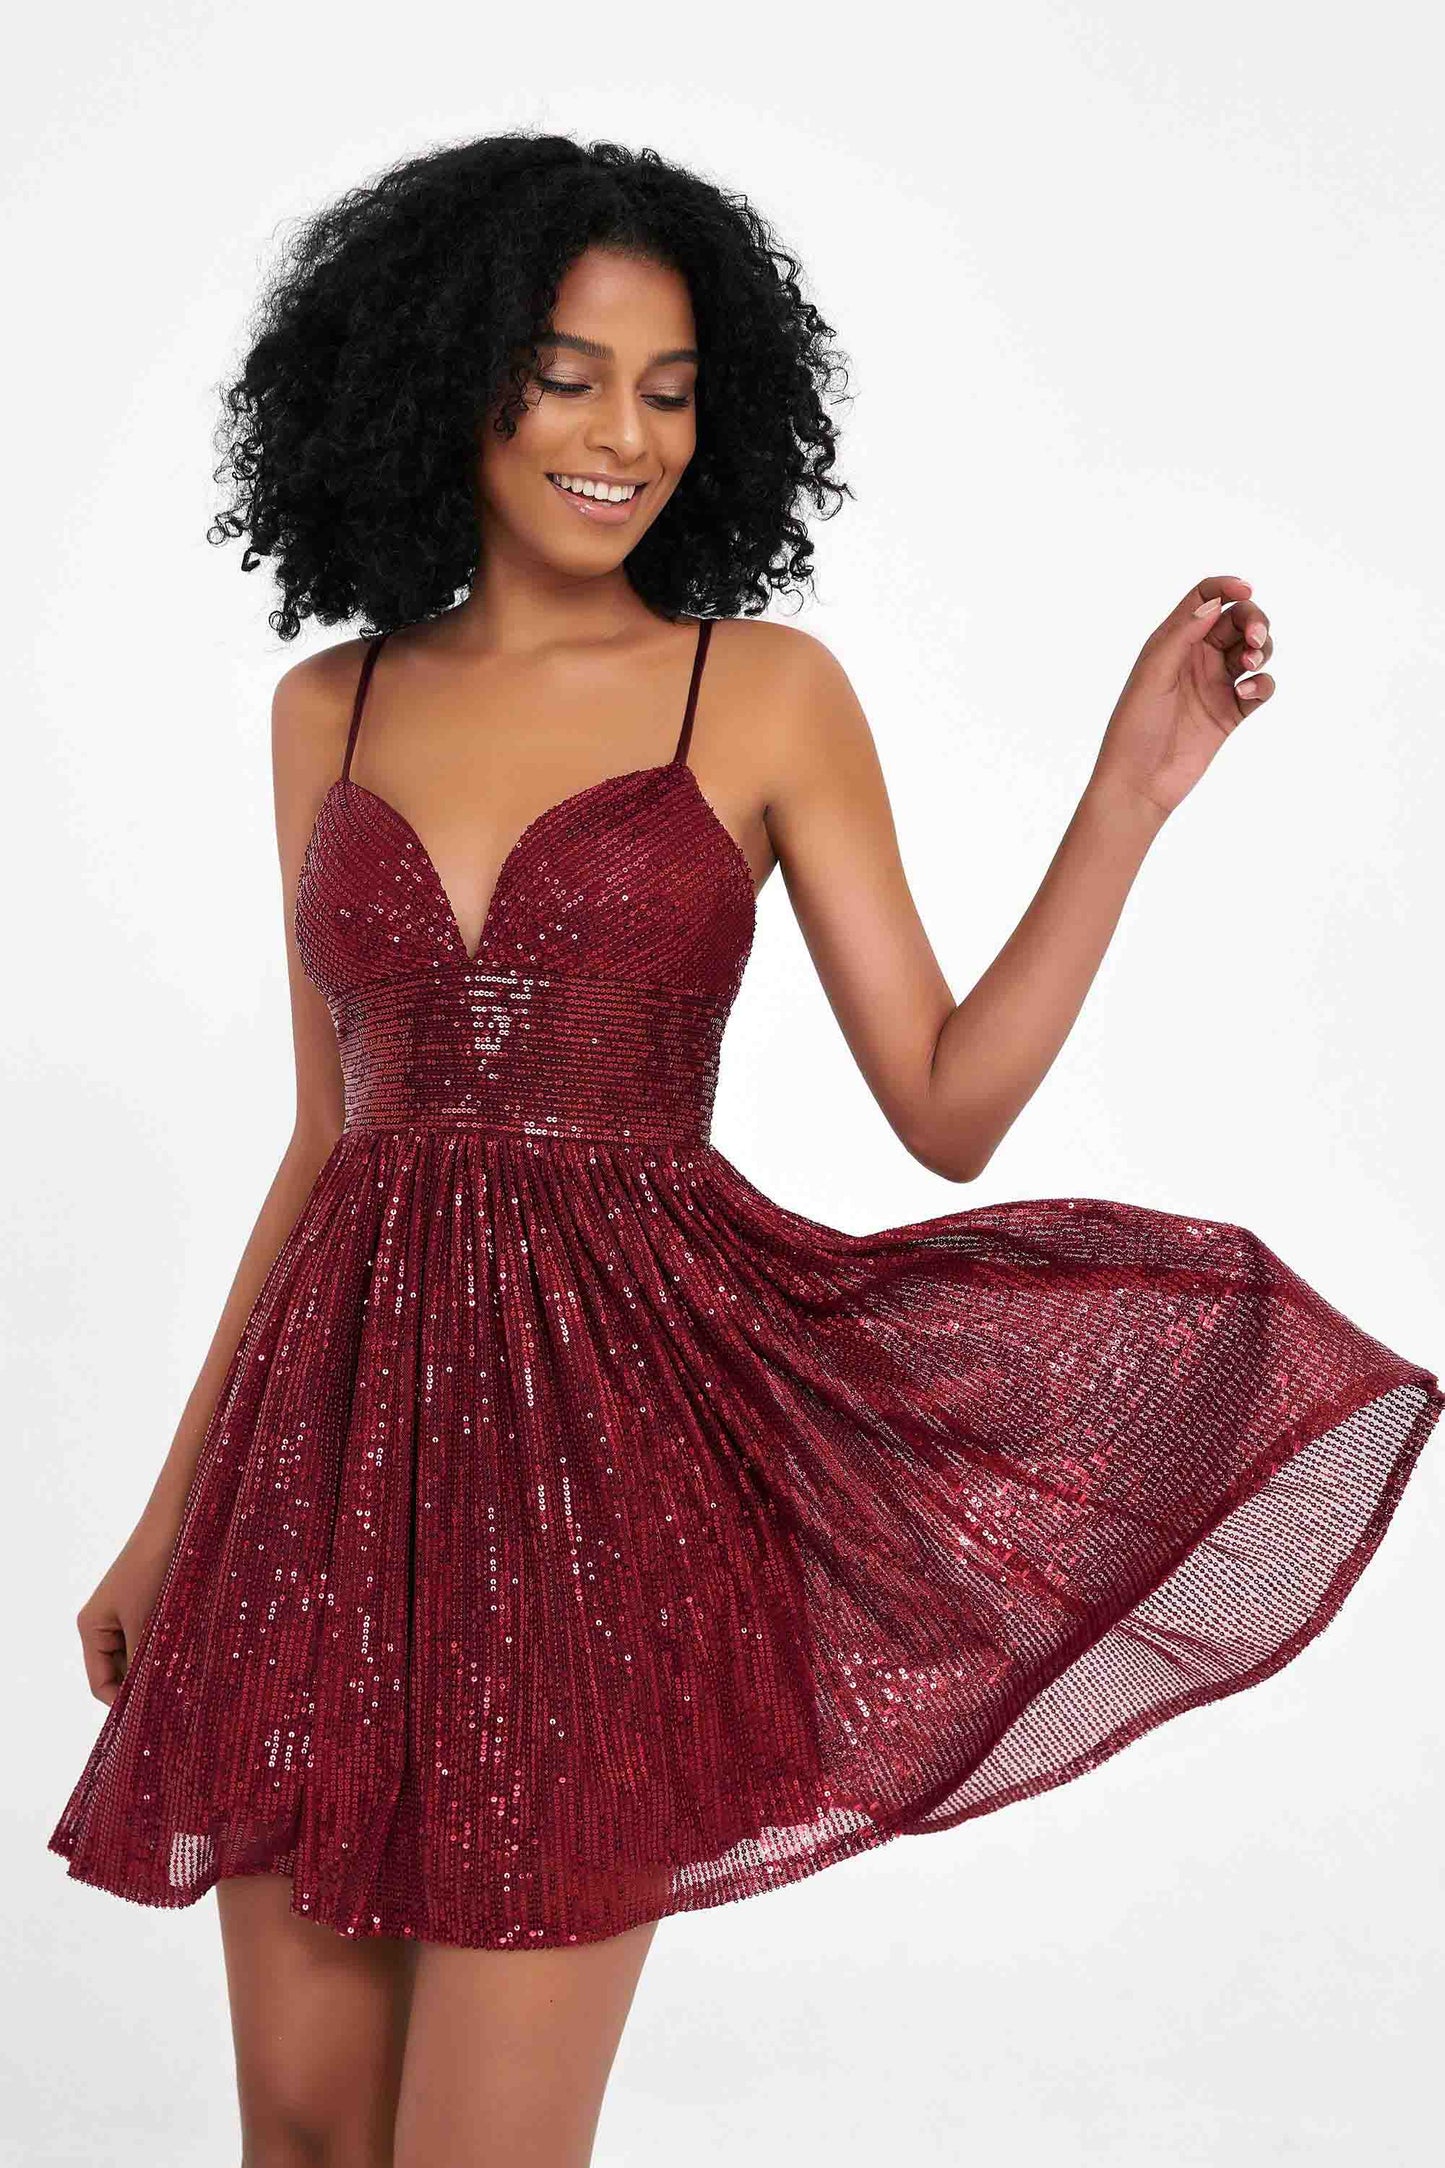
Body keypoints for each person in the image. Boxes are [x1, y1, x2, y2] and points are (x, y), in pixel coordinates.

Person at [49, 131, 1442, 2168]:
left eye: (672, 391)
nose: (624, 437)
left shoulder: (759, 693)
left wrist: (1127, 799)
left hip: (598, 1498)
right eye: (568, 376)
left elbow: (947, 1100)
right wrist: (173, 1520)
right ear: (444, 377)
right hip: (317, 1486)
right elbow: (326, 1142)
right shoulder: (321, 712)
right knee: (308, 2142)